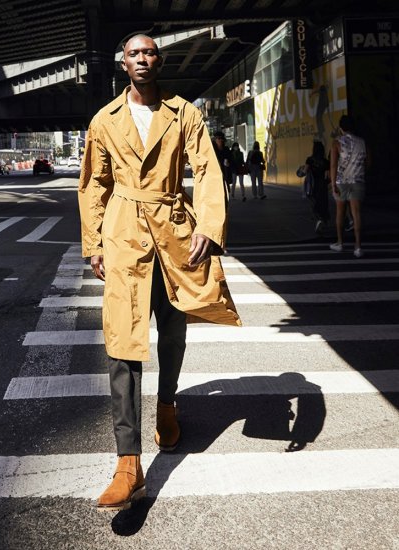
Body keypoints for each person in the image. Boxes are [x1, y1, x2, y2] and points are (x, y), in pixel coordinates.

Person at [78, 33, 241, 512]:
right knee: (121, 344)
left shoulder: (183, 112)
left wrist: (209, 225)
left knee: (172, 332)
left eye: (150, 52)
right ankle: (128, 463)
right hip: (124, 236)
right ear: (123, 63)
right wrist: (93, 244)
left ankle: (167, 405)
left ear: (159, 60)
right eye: (134, 53)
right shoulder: (104, 120)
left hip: (173, 234)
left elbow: (207, 169)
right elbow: (93, 185)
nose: (143, 59)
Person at [329, 114, 368, 258]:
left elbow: (333, 165)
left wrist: (333, 184)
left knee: (340, 213)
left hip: (341, 182)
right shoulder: (362, 142)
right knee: (356, 214)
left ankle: (340, 243)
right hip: (357, 181)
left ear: (341, 128)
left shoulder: (336, 143)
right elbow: (368, 162)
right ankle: (358, 247)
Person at [304, 141, 330, 233]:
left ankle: (318, 220)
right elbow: (327, 176)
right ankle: (323, 220)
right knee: (323, 203)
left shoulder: (309, 160)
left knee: (313, 203)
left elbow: (305, 171)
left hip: (312, 185)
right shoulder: (326, 161)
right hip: (322, 185)